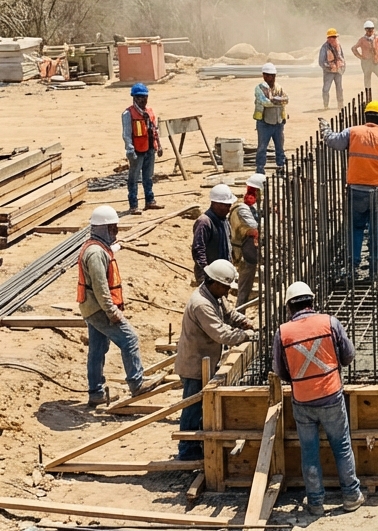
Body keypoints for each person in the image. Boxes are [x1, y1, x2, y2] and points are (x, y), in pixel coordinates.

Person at [273, 281, 365, 517]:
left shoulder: (282, 332)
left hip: (302, 401)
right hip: (331, 395)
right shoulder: (329, 322)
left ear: (289, 308)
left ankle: (315, 503)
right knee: (342, 447)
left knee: (309, 452)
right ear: (312, 302)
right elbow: (348, 356)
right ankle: (351, 496)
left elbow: (281, 371)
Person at [77, 205, 163, 405]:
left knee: (97, 349)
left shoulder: (94, 247)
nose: (115, 233)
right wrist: (112, 312)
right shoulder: (96, 254)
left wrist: (116, 247)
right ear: (103, 229)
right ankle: (137, 383)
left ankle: (96, 393)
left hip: (90, 307)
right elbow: (100, 288)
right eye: (113, 229)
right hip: (99, 308)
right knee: (129, 339)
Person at [175, 260, 255, 462]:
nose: (228, 291)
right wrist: (246, 336)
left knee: (202, 407)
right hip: (194, 364)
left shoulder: (214, 295)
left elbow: (229, 314)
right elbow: (221, 334)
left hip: (206, 360)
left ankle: (198, 445)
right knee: (192, 408)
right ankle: (187, 451)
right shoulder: (201, 304)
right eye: (226, 286)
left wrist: (244, 322)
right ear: (215, 283)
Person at [320, 101, 378, 281]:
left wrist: (325, 130)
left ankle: (352, 268)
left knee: (356, 228)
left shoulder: (353, 132)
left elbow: (333, 141)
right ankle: (375, 269)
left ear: (365, 117)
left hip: (356, 189)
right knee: (377, 229)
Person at [121, 82, 163, 216]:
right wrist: (130, 150)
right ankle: (133, 205)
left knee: (148, 177)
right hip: (137, 151)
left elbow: (154, 130)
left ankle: (150, 201)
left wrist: (159, 145)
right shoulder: (128, 114)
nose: (143, 100)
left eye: (145, 97)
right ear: (134, 98)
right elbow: (127, 134)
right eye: (140, 97)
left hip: (150, 148)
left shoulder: (149, 112)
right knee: (133, 178)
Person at [229, 174, 265, 307]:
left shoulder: (252, 207)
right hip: (245, 256)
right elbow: (254, 229)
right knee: (243, 292)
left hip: (251, 254)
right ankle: (238, 316)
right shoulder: (242, 210)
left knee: (246, 290)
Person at [192, 185, 236, 285]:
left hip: (222, 274)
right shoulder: (204, 222)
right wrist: (207, 275)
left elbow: (228, 245)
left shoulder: (224, 220)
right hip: (210, 277)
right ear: (215, 203)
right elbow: (198, 251)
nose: (229, 208)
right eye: (226, 205)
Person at [253, 63, 289, 175]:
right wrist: (277, 102)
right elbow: (265, 102)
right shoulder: (259, 88)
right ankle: (260, 168)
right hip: (265, 123)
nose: (271, 78)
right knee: (262, 147)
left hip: (278, 122)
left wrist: (276, 101)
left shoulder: (279, 87)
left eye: (273, 75)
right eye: (269, 75)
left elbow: (286, 99)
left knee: (280, 147)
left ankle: (281, 166)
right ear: (264, 76)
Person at [352, 20, 378, 102]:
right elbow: (354, 48)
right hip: (366, 63)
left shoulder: (377, 39)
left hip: (376, 62)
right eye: (368, 30)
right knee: (367, 81)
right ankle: (368, 99)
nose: (370, 31)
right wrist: (360, 57)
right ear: (365, 30)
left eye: (371, 29)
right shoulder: (362, 40)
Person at [318, 28, 346, 110]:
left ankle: (340, 105)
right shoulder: (324, 48)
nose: (334, 39)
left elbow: (342, 57)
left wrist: (342, 68)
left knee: (339, 88)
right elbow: (321, 62)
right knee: (326, 89)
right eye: (332, 37)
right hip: (328, 72)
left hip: (338, 71)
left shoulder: (338, 45)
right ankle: (326, 106)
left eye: (335, 37)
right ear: (328, 38)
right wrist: (330, 67)